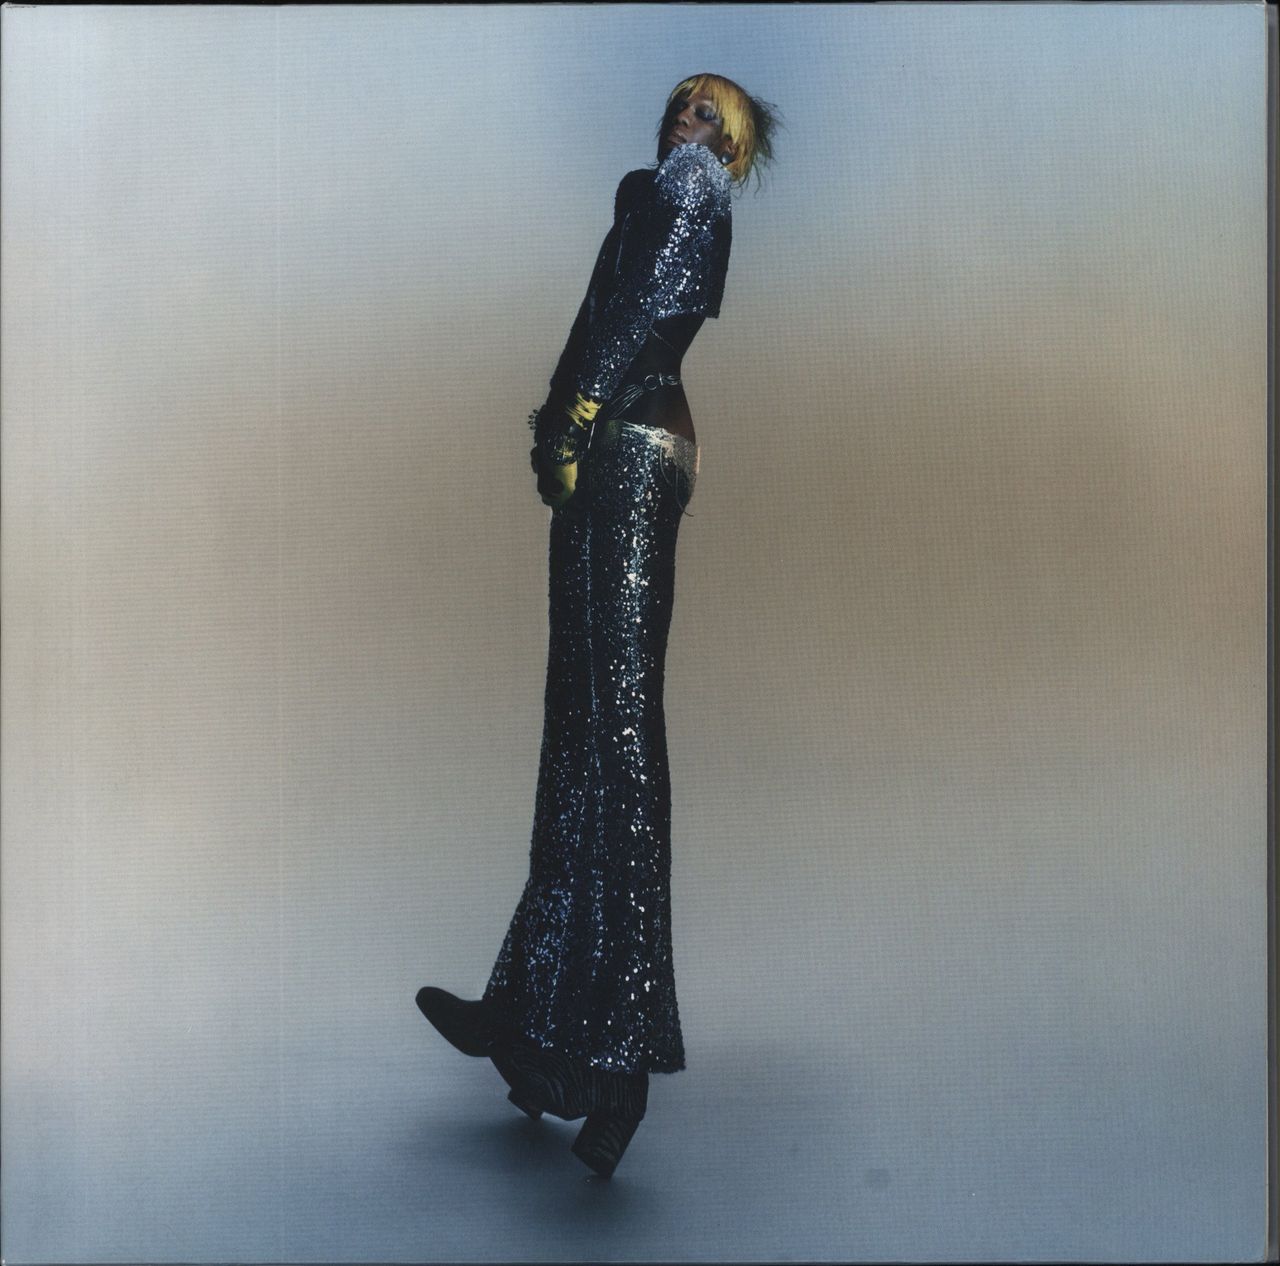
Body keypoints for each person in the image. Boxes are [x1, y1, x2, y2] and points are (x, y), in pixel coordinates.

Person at [417, 73, 779, 1179]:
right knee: (577, 733)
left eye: (710, 117)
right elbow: (600, 317)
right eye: (680, 105)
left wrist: (572, 417)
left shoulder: (690, 190)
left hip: (629, 451)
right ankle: (532, 1027)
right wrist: (560, 426)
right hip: (606, 454)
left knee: (612, 737)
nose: (685, 121)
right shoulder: (648, 192)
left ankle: (615, 1069)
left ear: (730, 150)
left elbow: (637, 314)